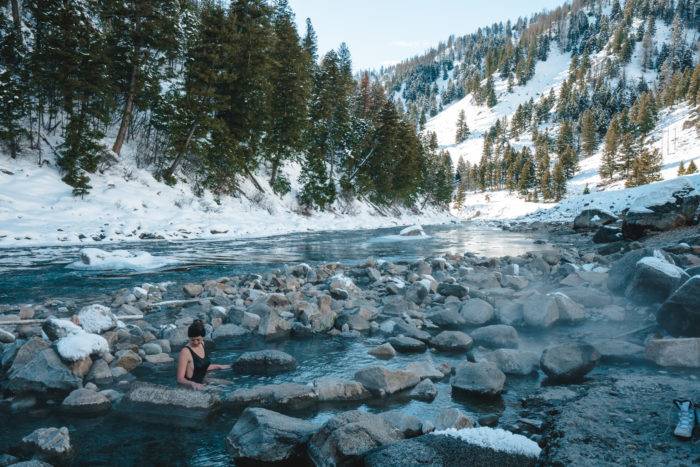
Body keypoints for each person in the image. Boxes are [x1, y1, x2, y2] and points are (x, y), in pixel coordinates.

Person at [176, 320, 230, 390]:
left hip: (202, 381)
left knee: (230, 384)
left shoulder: (202, 344)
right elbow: (180, 379)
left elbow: (200, 366)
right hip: (190, 385)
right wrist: (193, 384)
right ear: (189, 338)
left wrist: (218, 366)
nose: (195, 342)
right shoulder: (185, 352)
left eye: (198, 339)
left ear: (203, 337)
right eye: (192, 340)